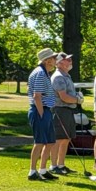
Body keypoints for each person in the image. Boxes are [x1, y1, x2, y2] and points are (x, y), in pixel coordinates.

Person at [27, 48, 59, 181]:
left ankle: (43, 170)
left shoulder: (44, 72)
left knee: (50, 141)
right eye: (53, 58)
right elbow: (37, 96)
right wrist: (41, 114)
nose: (55, 60)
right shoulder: (40, 73)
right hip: (40, 110)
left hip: (45, 110)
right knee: (39, 142)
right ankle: (32, 172)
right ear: (47, 60)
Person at [50, 52, 84, 175]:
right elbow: (63, 97)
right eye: (67, 60)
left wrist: (76, 98)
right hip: (60, 109)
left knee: (66, 138)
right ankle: (53, 166)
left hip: (68, 110)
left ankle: (61, 164)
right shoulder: (58, 77)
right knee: (58, 139)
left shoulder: (66, 76)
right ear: (59, 63)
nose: (70, 61)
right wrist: (77, 100)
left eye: (70, 59)